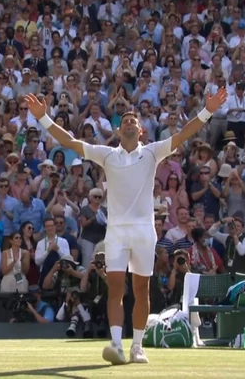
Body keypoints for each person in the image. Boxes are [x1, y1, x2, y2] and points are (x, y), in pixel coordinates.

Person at [24, 90, 227, 365]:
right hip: (117, 233)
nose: (130, 123)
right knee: (116, 289)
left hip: (144, 232)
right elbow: (70, 141)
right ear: (119, 131)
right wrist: (43, 118)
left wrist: (207, 110)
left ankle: (138, 347)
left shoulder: (153, 152)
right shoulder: (106, 155)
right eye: (126, 121)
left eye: (134, 121)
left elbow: (183, 135)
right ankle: (117, 345)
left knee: (142, 290)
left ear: (141, 130)